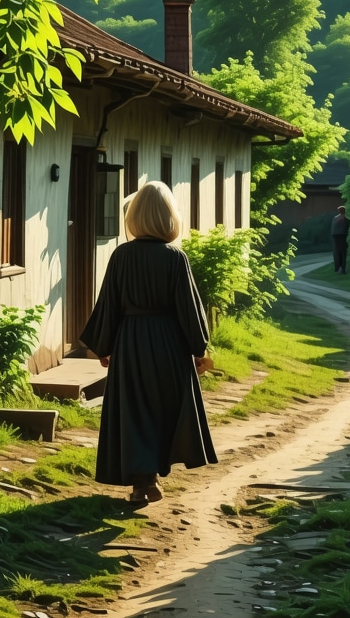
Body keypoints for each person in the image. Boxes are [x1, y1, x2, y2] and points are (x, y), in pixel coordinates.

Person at [80, 181, 217, 505]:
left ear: (135, 216)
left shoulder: (121, 256)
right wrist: (199, 349)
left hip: (130, 343)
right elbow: (188, 307)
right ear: (169, 217)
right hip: (169, 343)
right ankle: (151, 477)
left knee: (135, 412)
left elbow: (109, 303)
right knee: (163, 410)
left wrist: (105, 345)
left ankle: (143, 483)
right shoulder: (175, 257)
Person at [331, 204, 350, 273]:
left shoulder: (335, 219)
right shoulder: (347, 220)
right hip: (343, 237)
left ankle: (338, 268)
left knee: (337, 253)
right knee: (343, 253)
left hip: (336, 237)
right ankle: (342, 268)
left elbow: (333, 230)